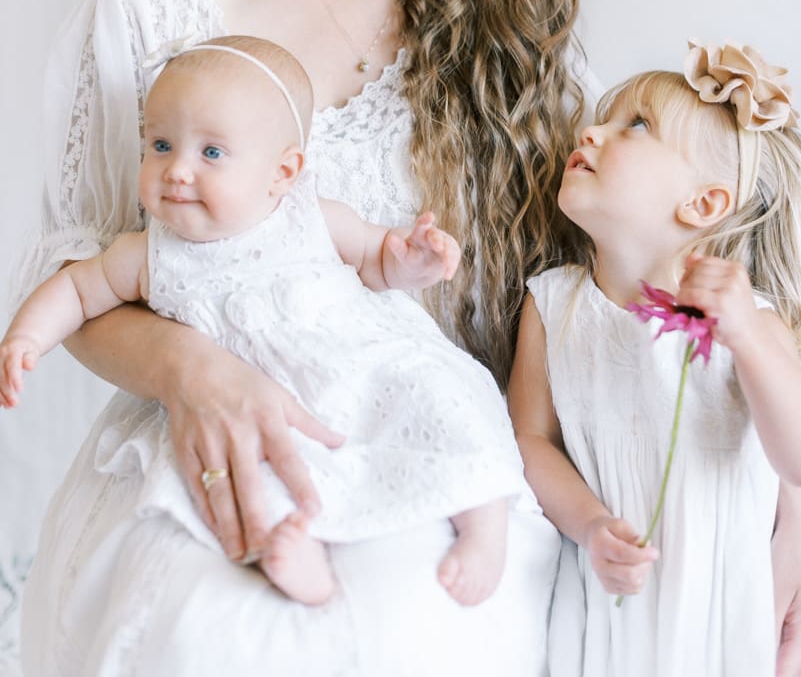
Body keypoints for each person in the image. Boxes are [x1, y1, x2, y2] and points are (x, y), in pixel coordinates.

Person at [14, 0, 801, 676]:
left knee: (413, 620)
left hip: (438, 455)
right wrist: (196, 373)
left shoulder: (517, 44)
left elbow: (661, 275)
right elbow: (79, 272)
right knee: (215, 635)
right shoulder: (163, 1)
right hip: (219, 445)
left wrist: (783, 505)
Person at [2, 34, 525, 608]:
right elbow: (78, 290)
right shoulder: (149, 254)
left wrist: (413, 259)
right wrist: (28, 335)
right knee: (252, 466)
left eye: (211, 154)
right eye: (160, 144)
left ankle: (483, 522)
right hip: (271, 400)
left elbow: (378, 261)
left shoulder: (307, 216)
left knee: (444, 395)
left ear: (282, 173)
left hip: (368, 362)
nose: (176, 170)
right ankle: (296, 548)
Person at [509, 41, 801, 676]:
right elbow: (529, 440)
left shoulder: (748, 319)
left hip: (718, 605)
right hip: (607, 595)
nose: (591, 129)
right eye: (608, 118)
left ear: (702, 205)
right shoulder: (554, 303)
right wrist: (588, 526)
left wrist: (746, 338)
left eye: (635, 125)